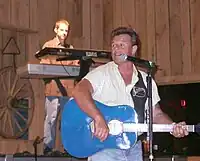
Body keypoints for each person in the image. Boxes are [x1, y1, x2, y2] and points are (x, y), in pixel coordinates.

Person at [71, 26, 189, 161]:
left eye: (121, 45)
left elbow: (156, 114)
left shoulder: (146, 79)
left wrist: (173, 126)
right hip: (104, 146)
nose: (116, 49)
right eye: (114, 45)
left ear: (133, 49)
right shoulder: (101, 73)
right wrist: (98, 118)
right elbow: (79, 91)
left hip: (133, 147)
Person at [40, 19, 78, 153]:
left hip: (68, 90)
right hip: (53, 89)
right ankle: (47, 147)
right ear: (55, 30)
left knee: (66, 120)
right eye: (61, 30)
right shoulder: (48, 46)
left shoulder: (71, 49)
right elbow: (44, 66)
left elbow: (76, 66)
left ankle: (67, 148)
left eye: (66, 31)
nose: (64, 33)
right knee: (51, 119)